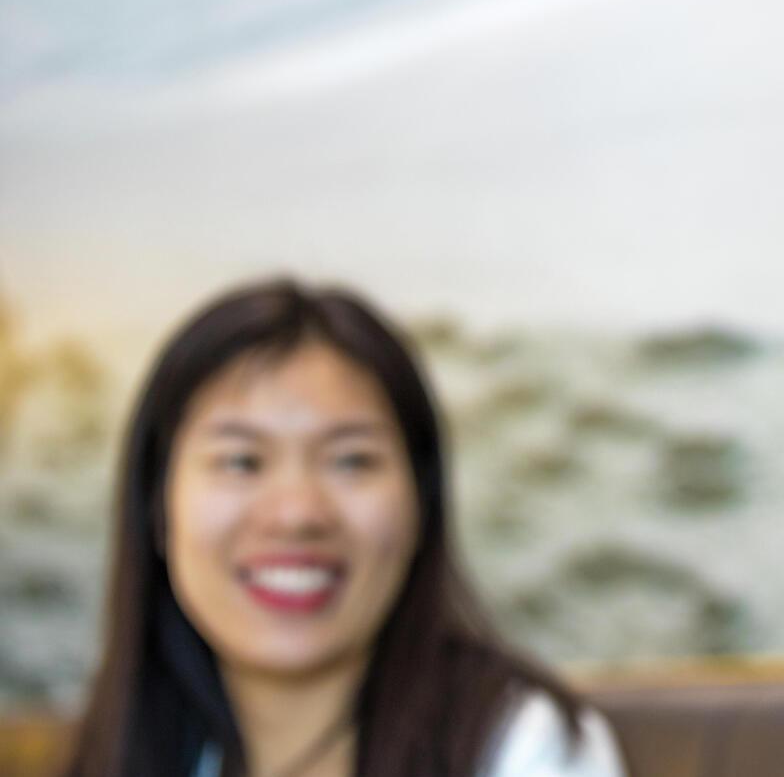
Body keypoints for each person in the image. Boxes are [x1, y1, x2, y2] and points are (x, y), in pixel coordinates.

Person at [63, 279, 626, 777]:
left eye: (351, 461)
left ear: (421, 506)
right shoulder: (127, 748)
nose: (297, 513)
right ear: (157, 508)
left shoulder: (523, 748)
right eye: (241, 461)